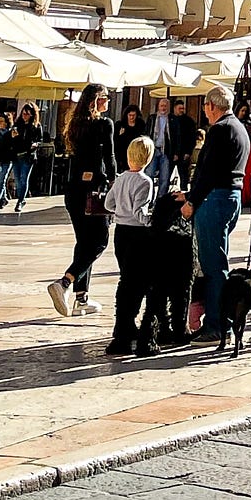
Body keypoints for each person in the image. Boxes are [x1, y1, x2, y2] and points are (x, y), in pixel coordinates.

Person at [180, 85, 250, 341]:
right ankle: (218, 321)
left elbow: (208, 172)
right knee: (217, 258)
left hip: (214, 198)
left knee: (213, 265)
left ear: (211, 105)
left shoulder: (220, 129)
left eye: (205, 107)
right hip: (230, 197)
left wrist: (192, 201)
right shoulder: (239, 127)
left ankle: (217, 324)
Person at [48, 82, 114, 319]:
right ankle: (66, 282)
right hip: (94, 191)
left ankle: (81, 298)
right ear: (96, 100)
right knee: (99, 242)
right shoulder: (104, 124)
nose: (109, 101)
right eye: (106, 97)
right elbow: (110, 158)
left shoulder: (75, 125)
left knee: (84, 243)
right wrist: (114, 187)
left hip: (73, 191)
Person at [103, 134, 156, 356]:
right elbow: (140, 212)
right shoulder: (145, 181)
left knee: (126, 277)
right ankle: (128, 323)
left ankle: (124, 324)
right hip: (137, 234)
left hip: (120, 233)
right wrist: (152, 221)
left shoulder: (121, 178)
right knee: (139, 281)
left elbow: (108, 203)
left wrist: (119, 212)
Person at [168, 99, 199, 189]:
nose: (181, 110)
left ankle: (184, 193)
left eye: (183, 108)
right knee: (167, 176)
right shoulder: (169, 119)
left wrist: (188, 152)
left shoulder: (189, 121)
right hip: (171, 153)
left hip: (183, 153)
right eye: (179, 108)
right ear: (174, 108)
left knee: (184, 177)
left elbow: (192, 138)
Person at [147, 96, 174, 196]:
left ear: (169, 107)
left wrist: (175, 152)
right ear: (158, 107)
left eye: (165, 106)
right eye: (162, 106)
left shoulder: (172, 119)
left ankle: (160, 200)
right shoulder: (152, 118)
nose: (163, 108)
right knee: (149, 175)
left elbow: (177, 136)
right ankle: (149, 198)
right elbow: (147, 132)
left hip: (165, 151)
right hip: (153, 150)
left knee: (165, 177)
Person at [114, 104, 148, 171]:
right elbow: (115, 140)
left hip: (135, 152)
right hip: (122, 152)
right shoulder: (120, 125)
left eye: (133, 115)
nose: (131, 117)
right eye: (130, 115)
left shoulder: (140, 124)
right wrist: (120, 135)